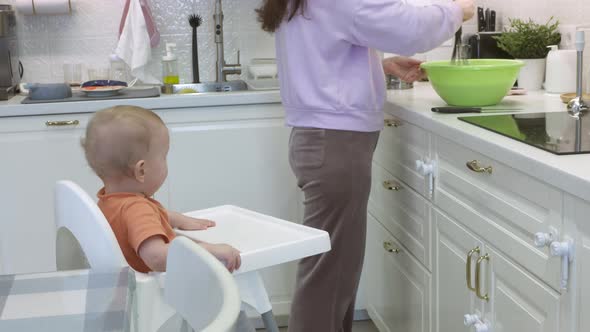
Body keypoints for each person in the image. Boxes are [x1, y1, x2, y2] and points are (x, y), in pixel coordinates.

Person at [256, 0, 476, 331]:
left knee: (335, 269)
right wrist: (457, 10)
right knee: (329, 273)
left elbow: (324, 49)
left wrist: (379, 67)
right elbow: (409, 28)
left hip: (325, 139)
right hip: (335, 143)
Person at [81, 105, 241, 273]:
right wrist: (211, 251)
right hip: (158, 293)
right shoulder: (137, 208)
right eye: (164, 156)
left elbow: (133, 222)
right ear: (141, 170)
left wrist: (176, 219)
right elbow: (157, 257)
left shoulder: (108, 201)